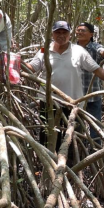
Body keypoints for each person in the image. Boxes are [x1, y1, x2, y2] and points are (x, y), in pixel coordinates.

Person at [28, 21, 104, 151]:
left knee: (71, 139)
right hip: (48, 100)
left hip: (73, 102)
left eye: (65, 32)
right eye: (58, 32)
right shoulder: (44, 49)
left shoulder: (79, 50)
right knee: (48, 136)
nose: (61, 35)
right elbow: (32, 67)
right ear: (52, 34)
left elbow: (97, 70)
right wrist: (14, 63)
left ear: (70, 34)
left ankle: (68, 166)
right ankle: (48, 165)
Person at [75, 22, 104, 142]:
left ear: (91, 34)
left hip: (92, 94)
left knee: (95, 127)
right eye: (78, 30)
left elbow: (101, 50)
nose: (80, 32)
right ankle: (75, 153)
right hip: (74, 96)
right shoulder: (71, 48)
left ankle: (95, 153)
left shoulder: (95, 47)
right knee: (75, 127)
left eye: (83, 30)